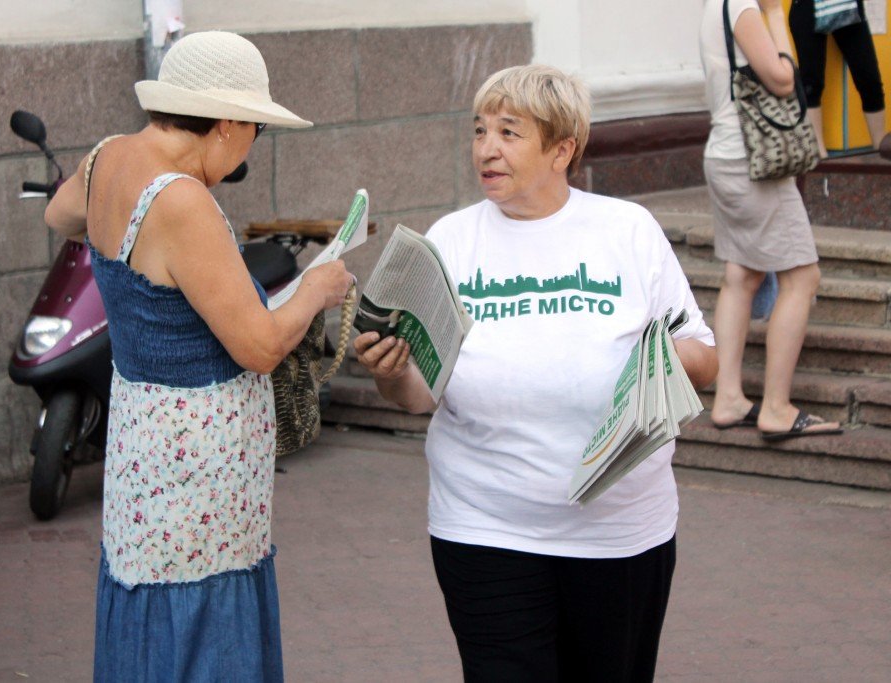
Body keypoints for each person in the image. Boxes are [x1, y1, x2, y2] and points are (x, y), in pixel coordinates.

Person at [354, 64, 718, 682]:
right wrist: (390, 375)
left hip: (619, 534)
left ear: (562, 150)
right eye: (479, 131)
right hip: (484, 526)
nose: (487, 149)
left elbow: (702, 355)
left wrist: (658, 365)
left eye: (509, 132)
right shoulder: (452, 241)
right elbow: (420, 396)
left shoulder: (626, 230)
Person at [44, 31, 353, 682]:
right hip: (198, 462)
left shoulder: (109, 158)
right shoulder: (183, 199)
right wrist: (318, 289)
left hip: (142, 439)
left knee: (148, 587)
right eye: (255, 131)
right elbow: (262, 345)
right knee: (202, 621)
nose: (249, 147)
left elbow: (59, 215)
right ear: (228, 123)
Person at [700, 0, 844, 441]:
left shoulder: (715, 7)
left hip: (726, 154)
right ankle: (777, 407)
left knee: (741, 276)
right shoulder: (746, 8)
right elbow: (782, 80)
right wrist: (778, 15)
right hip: (755, 160)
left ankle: (727, 397)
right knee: (802, 276)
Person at [788, 0, 888, 157]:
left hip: (848, 6)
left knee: (869, 78)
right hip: (806, 8)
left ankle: (882, 149)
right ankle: (820, 157)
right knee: (811, 84)